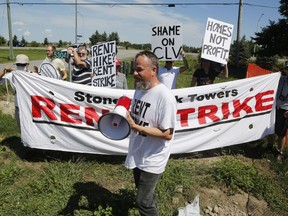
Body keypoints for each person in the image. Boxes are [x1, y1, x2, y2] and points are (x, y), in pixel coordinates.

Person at [125, 50, 177, 215]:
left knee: (143, 202)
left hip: (153, 158)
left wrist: (137, 128)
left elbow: (167, 133)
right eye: (135, 69)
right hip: (138, 152)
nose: (134, 73)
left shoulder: (165, 97)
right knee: (144, 194)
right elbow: (138, 116)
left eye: (139, 69)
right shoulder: (139, 89)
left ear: (154, 70)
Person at [0, 54, 34, 130]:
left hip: (20, 105)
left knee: (22, 128)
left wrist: (4, 71)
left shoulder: (11, 74)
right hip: (30, 105)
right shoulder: (32, 74)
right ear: (27, 64)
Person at [275, 61, 288, 160]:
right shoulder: (281, 79)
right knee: (271, 128)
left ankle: (280, 152)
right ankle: (269, 146)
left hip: (285, 110)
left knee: (282, 132)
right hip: (274, 107)